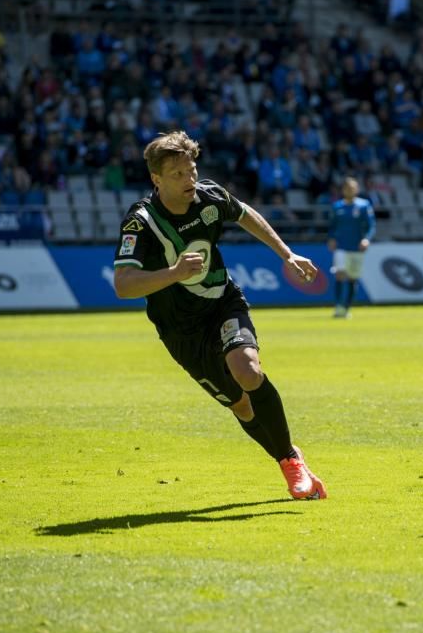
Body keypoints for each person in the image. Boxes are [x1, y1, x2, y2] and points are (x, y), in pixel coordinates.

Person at [113, 131, 327, 500]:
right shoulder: (141, 222)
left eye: (191, 170)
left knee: (248, 371)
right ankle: (290, 456)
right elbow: (123, 284)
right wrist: (173, 274)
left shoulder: (210, 197)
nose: (189, 180)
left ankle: (290, 462)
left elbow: (245, 215)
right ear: (156, 179)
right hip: (180, 329)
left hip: (222, 302)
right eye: (178, 174)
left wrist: (286, 254)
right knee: (242, 408)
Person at [327, 176, 376, 318]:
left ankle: (347, 307)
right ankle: (338, 306)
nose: (349, 190)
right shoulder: (337, 207)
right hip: (341, 247)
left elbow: (371, 226)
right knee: (340, 274)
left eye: (352, 188)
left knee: (353, 279)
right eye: (347, 188)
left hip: (357, 248)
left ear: (357, 189)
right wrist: (331, 238)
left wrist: (366, 239)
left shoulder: (364, 206)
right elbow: (332, 226)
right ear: (343, 190)